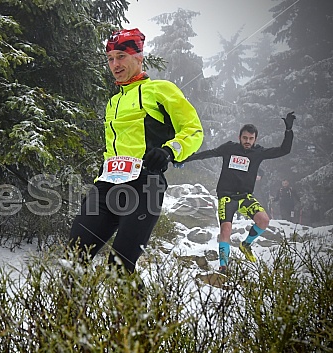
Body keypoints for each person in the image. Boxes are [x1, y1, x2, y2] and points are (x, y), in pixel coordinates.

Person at [67, 28, 204, 275]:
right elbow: (113, 148)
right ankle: (68, 315)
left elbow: (193, 130)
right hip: (107, 186)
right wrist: (100, 178)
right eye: (110, 58)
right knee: (73, 259)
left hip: (145, 186)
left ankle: (139, 315)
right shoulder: (113, 102)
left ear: (138, 57)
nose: (114, 64)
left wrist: (169, 151)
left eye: (121, 56)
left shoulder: (162, 90)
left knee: (119, 267)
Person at [182, 112, 296, 273]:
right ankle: (223, 266)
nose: (247, 141)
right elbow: (209, 153)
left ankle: (246, 244)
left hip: (245, 197)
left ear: (255, 139)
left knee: (263, 220)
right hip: (227, 196)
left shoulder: (259, 152)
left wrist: (289, 130)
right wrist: (185, 158)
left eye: (250, 139)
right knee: (226, 229)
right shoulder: (230, 148)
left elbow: (284, 150)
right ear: (239, 137)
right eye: (244, 138)